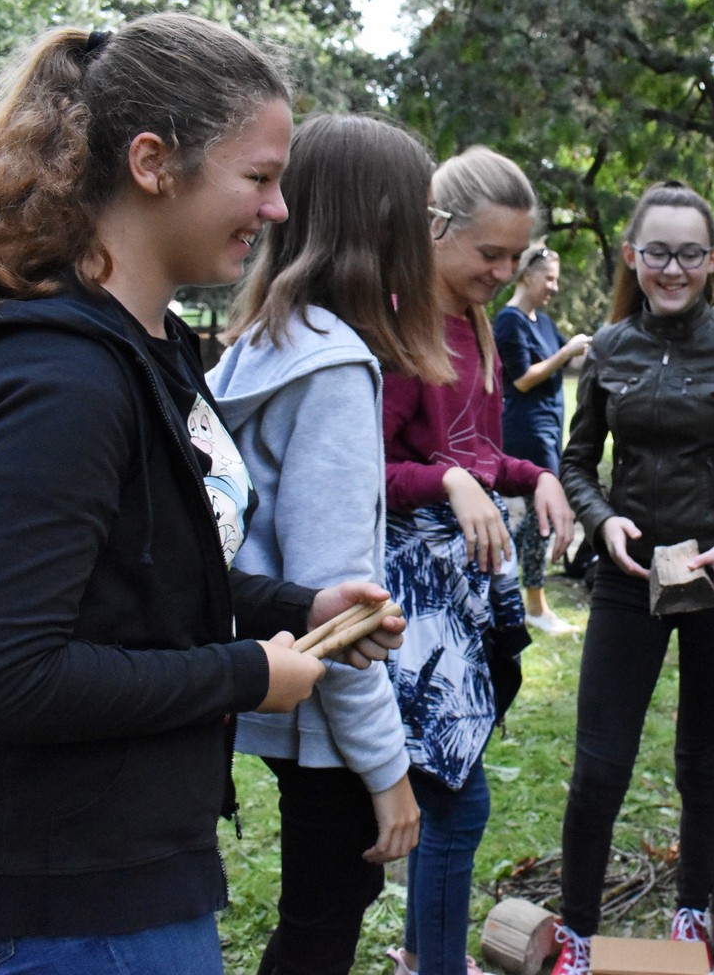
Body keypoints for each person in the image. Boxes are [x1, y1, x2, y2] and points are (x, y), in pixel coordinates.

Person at [0, 14, 403, 975]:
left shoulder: (151, 348)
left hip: (118, 852)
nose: (276, 210)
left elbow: (142, 571)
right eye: (258, 178)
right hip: (72, 886)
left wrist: (297, 608)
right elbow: (0, 676)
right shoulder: (65, 382)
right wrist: (248, 674)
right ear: (152, 162)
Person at [207, 113, 442, 975]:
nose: (433, 239)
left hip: (269, 681)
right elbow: (342, 605)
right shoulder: (334, 370)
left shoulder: (265, 342)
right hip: (317, 709)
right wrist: (388, 773)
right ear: (380, 225)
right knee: (329, 912)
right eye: (428, 219)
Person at [551, 181, 714, 974]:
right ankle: (578, 932)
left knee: (701, 759)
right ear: (633, 255)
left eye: (690, 253)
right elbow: (578, 461)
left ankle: (692, 913)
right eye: (657, 252)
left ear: (712, 261)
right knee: (599, 763)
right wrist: (601, 520)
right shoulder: (610, 350)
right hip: (630, 577)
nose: (672, 268)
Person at [383, 146, 575, 975]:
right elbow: (362, 470)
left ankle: (422, 954)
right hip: (407, 598)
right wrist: (450, 479)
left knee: (445, 796)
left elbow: (481, 452)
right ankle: (437, 966)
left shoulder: (472, 326)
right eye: (487, 254)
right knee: (458, 806)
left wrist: (535, 477)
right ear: (435, 230)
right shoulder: (393, 320)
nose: (501, 273)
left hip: (465, 593)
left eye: (514, 256)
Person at [492, 243, 591, 635]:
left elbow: (576, 358)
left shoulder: (544, 323)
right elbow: (521, 378)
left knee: (531, 522)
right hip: (526, 434)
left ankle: (502, 586)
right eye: (548, 278)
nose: (553, 287)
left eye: (556, 279)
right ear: (526, 275)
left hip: (550, 431)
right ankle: (534, 604)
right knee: (540, 521)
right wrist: (566, 352)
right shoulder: (509, 321)